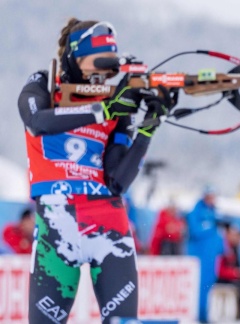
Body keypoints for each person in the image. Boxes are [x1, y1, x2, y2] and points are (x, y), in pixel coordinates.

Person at [18, 18, 172, 324]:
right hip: (57, 225)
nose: (101, 75)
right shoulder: (44, 84)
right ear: (73, 58)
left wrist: (149, 127)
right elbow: (38, 122)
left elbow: (118, 181)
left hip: (108, 225)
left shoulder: (116, 101)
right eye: (97, 64)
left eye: (109, 68)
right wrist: (104, 110)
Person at [186, 186, 224, 323]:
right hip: (199, 257)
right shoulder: (197, 211)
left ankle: (204, 315)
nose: (212, 200)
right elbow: (195, 230)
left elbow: (218, 237)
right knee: (198, 288)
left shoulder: (214, 212)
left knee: (208, 287)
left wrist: (221, 249)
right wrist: (211, 226)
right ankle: (198, 316)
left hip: (211, 258)